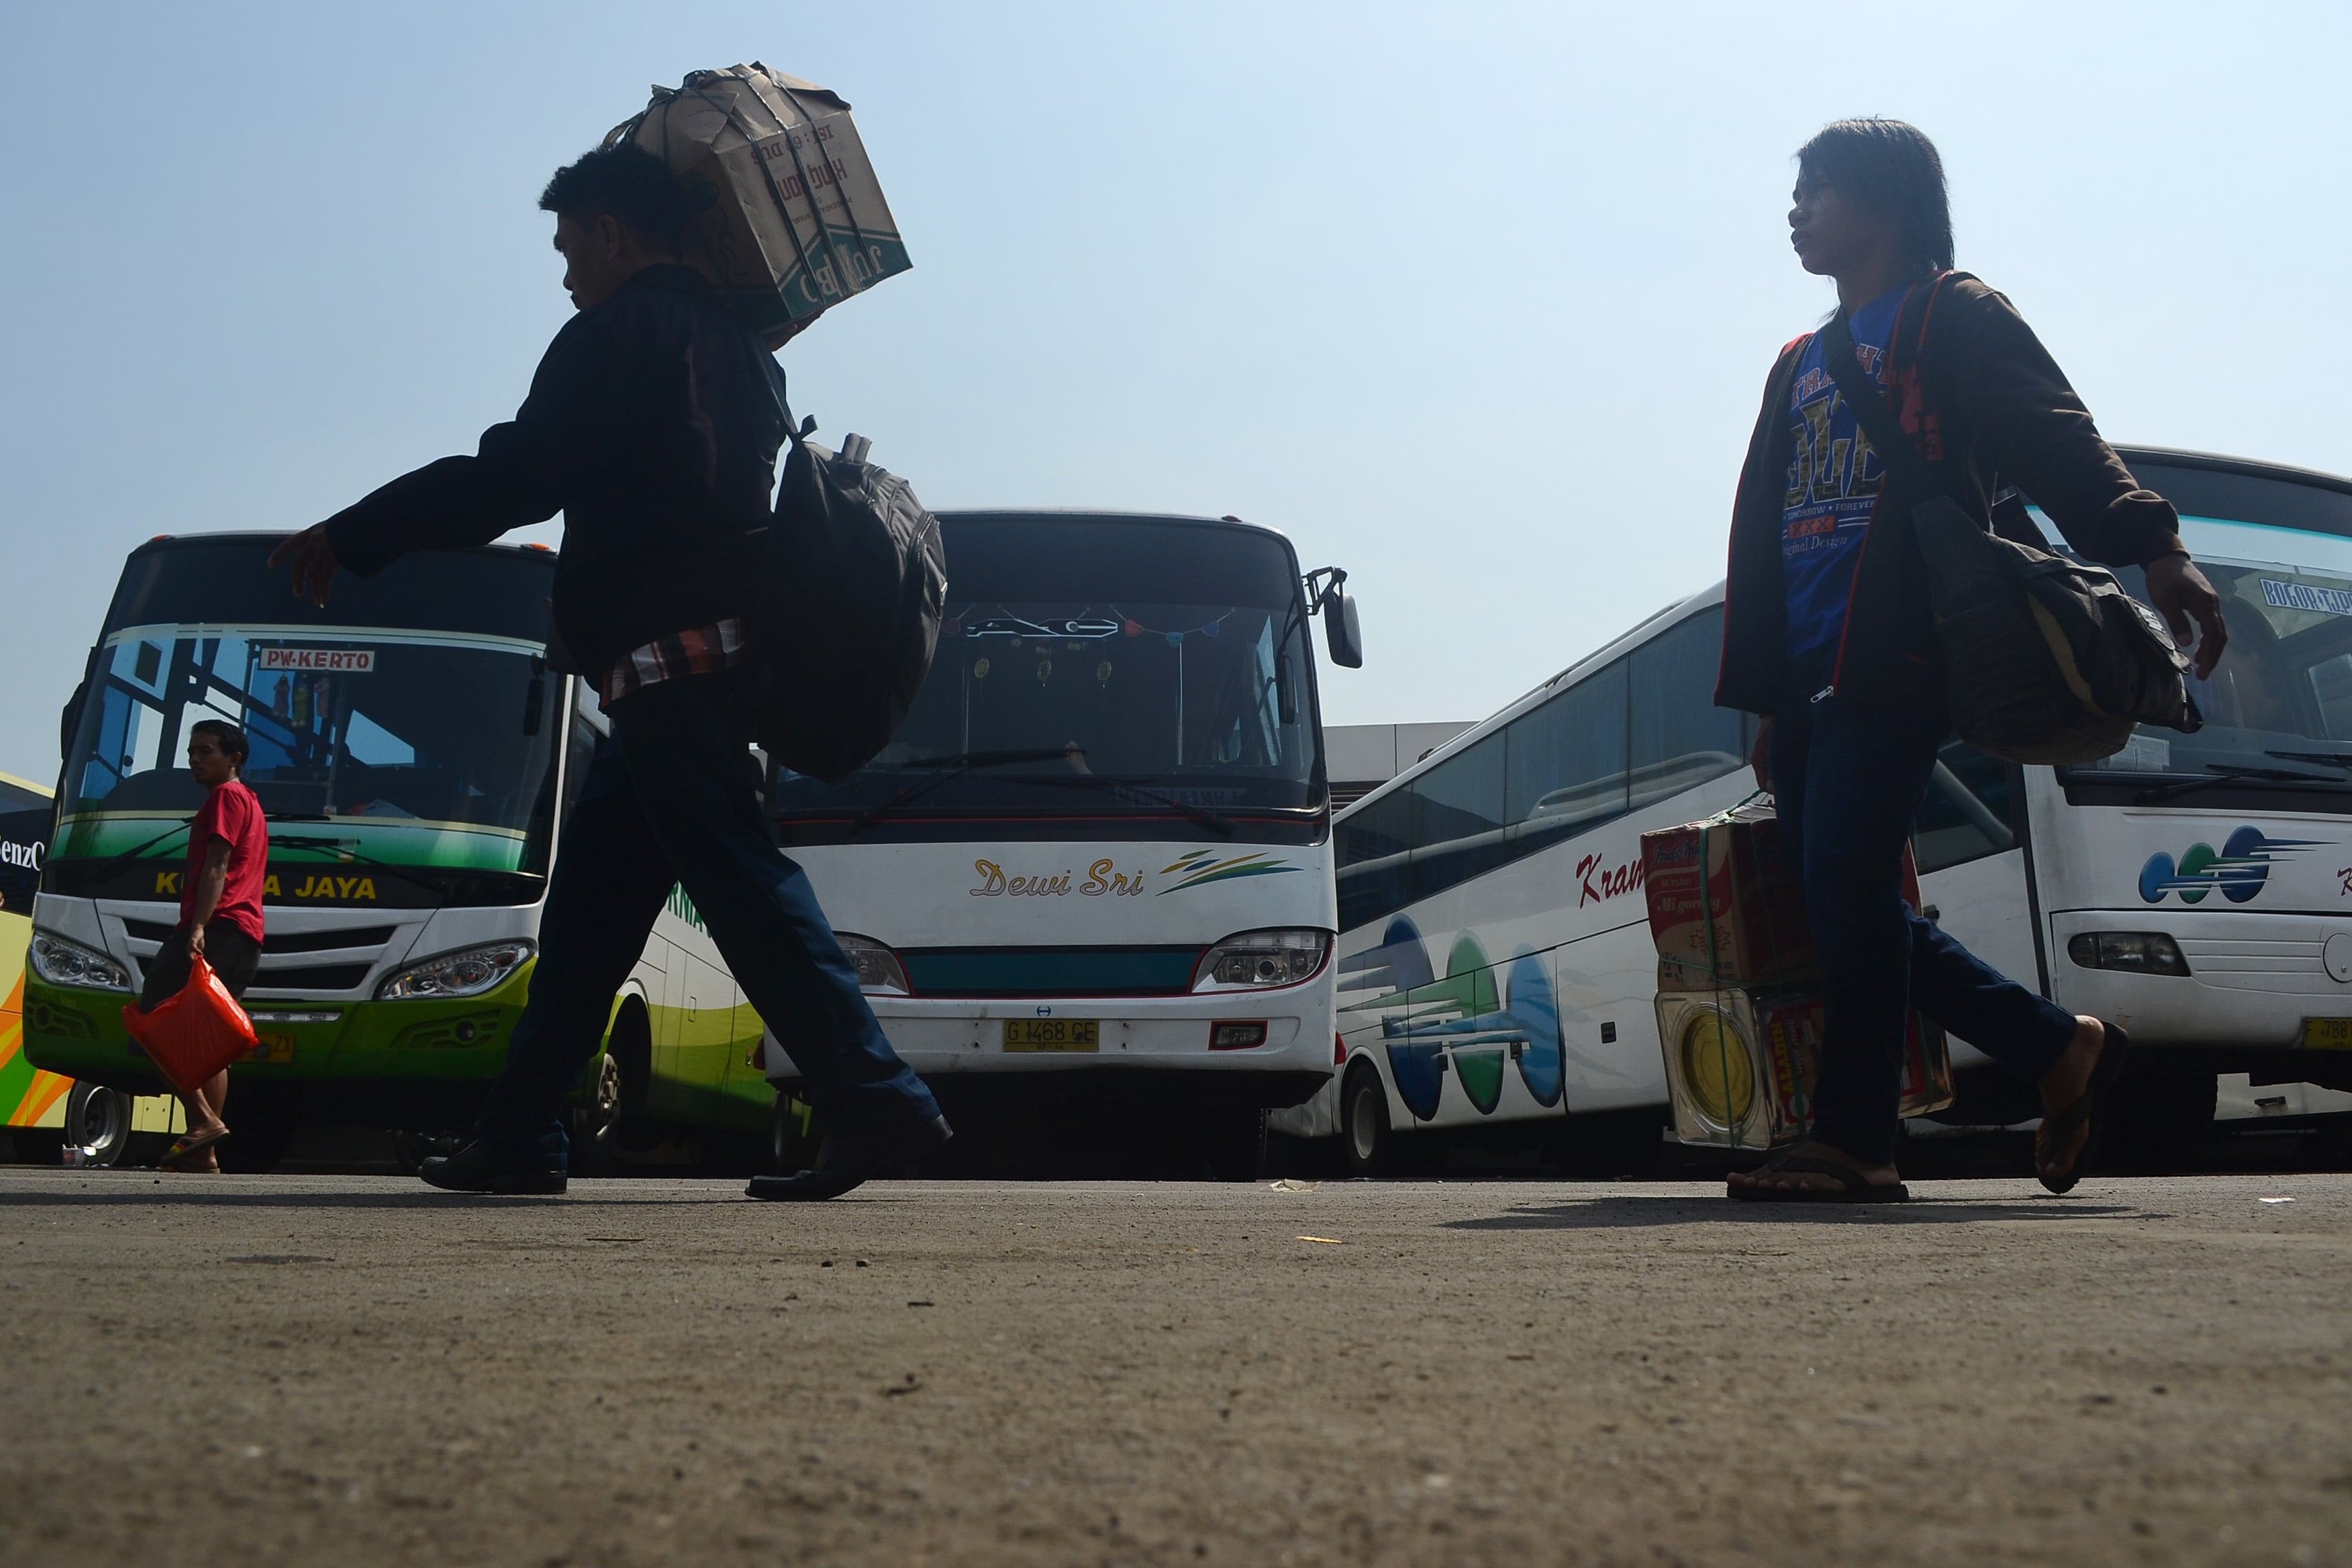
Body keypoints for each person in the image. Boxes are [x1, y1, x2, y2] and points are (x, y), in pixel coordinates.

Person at [269, 144, 948, 1198]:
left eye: (568, 245)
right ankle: (522, 1129)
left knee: (745, 885)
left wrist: (358, 532)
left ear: (610, 234)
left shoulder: (616, 333)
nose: (566, 271)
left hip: (664, 663)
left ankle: (873, 1095)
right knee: (590, 916)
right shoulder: (741, 349)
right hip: (698, 665)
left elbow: (516, 477)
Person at [1716, 119, 2229, 1202]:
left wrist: (2158, 550)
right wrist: (1768, 702)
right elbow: (1766, 536)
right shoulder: (1799, 361)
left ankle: (1856, 1138)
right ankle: (2059, 1049)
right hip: (1808, 678)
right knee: (1843, 898)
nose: (1795, 211)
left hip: (1899, 650)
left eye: (1817, 191)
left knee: (1848, 884)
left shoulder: (1957, 314)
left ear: (1885, 201)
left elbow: (2056, 434)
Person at [142, 720, 269, 1172]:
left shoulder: (226, 798)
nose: (195, 760)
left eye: (206, 751)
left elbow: (217, 866)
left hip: (215, 929)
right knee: (208, 1045)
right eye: (192, 752)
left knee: (151, 1023)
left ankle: (202, 1121)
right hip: (244, 934)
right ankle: (205, 1153)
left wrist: (196, 928)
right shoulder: (250, 802)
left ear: (234, 759)